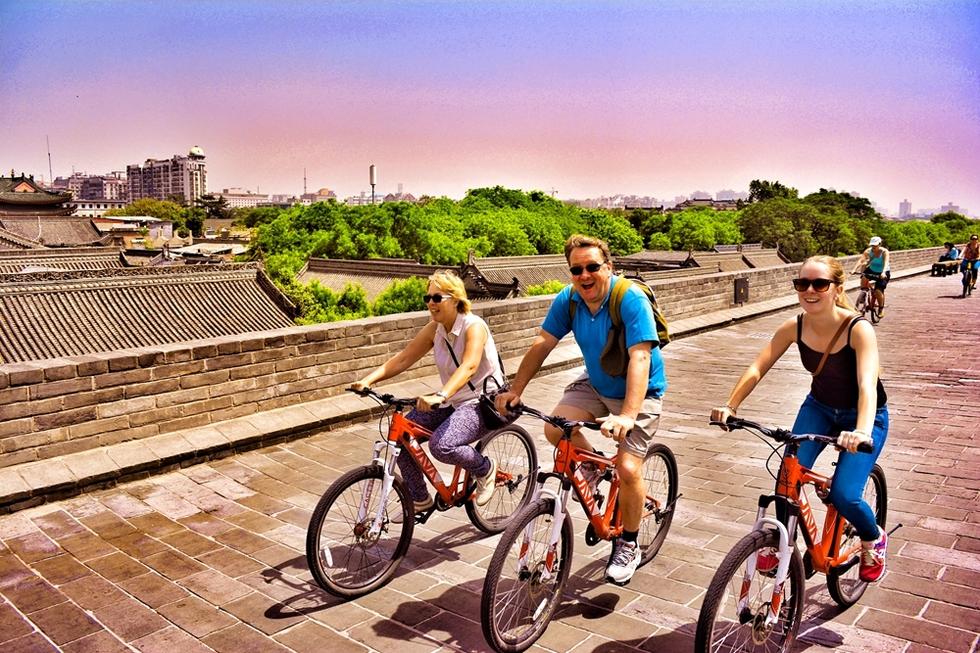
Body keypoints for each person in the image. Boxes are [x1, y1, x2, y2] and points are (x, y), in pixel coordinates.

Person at [495, 234, 667, 585]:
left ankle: (629, 543)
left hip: (639, 391)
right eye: (576, 270)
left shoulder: (630, 299)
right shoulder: (569, 299)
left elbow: (640, 357)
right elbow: (543, 343)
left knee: (628, 467)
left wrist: (627, 416)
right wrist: (515, 390)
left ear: (609, 267)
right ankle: (592, 467)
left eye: (592, 267)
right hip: (597, 382)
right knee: (555, 428)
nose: (584, 275)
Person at [710, 255, 889, 583]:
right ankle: (783, 545)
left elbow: (867, 385)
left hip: (865, 416)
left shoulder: (858, 329)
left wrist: (861, 431)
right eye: (802, 283)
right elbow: (758, 367)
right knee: (786, 480)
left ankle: (873, 537)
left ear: (837, 289)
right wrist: (730, 405)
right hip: (819, 408)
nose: (809, 290)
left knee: (845, 495)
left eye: (819, 284)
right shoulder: (795, 326)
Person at [352, 270, 502, 511]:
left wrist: (441, 395)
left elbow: (470, 366)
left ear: (455, 299)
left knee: (441, 445)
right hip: (452, 400)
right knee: (401, 436)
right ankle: (420, 498)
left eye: (437, 298)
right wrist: (368, 380)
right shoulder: (436, 329)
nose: (431, 303)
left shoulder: (474, 326)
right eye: (428, 298)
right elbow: (404, 358)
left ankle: (485, 468)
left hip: (483, 402)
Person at [851, 236, 891, 317]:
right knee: (863, 277)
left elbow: (886, 263)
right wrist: (854, 269)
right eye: (872, 245)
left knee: (878, 291)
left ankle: (881, 309)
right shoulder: (868, 251)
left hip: (883, 272)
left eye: (875, 245)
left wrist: (883, 272)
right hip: (872, 270)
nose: (873, 247)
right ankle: (863, 294)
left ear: (880, 244)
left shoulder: (884, 252)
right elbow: (861, 260)